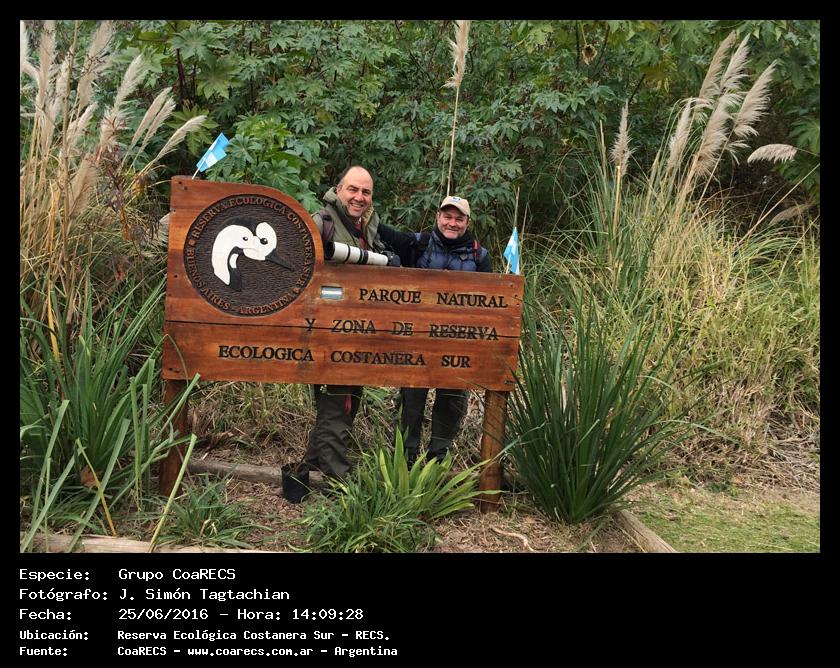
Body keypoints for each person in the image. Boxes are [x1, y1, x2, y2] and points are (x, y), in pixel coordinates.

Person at [295, 166, 394, 484]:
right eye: (353, 189)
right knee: (338, 401)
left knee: (349, 400)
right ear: (338, 190)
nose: (359, 197)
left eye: (366, 192)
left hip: (358, 330)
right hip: (327, 332)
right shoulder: (320, 222)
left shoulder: (367, 226)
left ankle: (307, 468)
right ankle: (338, 479)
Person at [378, 195, 492, 466]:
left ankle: (437, 461)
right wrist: (363, 209)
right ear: (438, 217)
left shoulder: (480, 256)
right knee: (411, 400)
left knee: (451, 403)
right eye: (447, 216)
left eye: (458, 218)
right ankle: (405, 461)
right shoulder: (418, 244)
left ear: (467, 222)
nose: (452, 223)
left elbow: (489, 302)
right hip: (417, 342)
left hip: (457, 345)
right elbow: (384, 233)